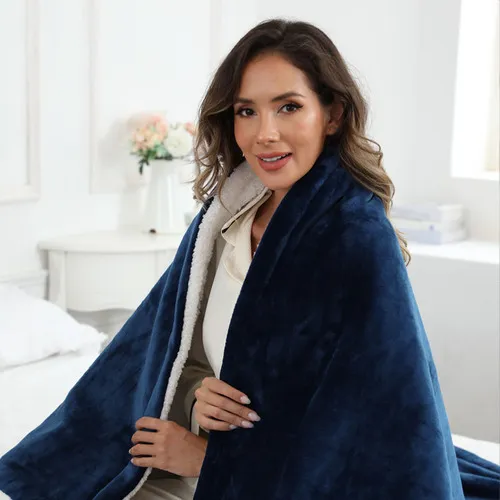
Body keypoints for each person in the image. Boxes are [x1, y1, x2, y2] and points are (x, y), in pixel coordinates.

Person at [1, 18, 499, 500]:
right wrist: (197, 398)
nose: (265, 133)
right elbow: (180, 352)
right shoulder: (225, 220)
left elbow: (365, 428)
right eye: (246, 111)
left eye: (288, 107)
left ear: (332, 115)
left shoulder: (357, 236)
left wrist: (211, 461)